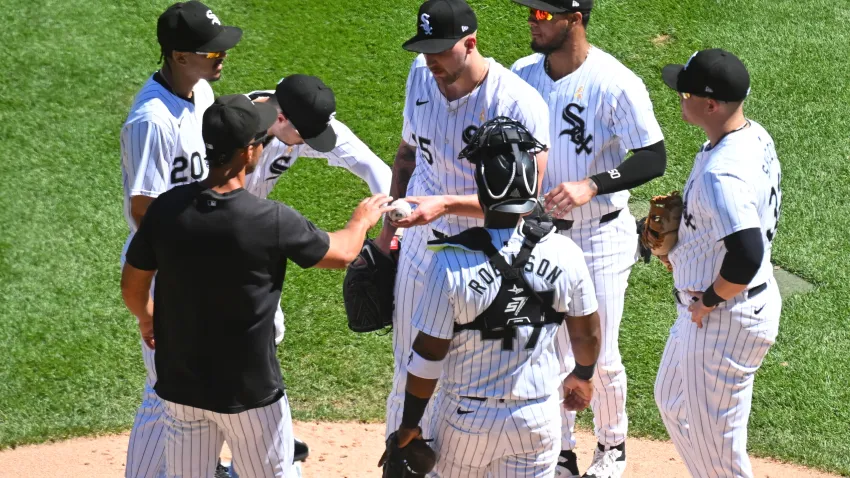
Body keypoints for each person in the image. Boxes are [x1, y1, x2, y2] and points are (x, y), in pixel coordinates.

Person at [120, 94, 393, 477]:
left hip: (182, 391)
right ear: (250, 152)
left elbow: (132, 287)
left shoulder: (166, 210)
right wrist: (361, 220)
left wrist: (148, 319)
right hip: (249, 395)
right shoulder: (270, 221)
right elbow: (343, 253)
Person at [386, 117, 601, 477]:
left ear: (481, 189)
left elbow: (427, 356)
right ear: (533, 184)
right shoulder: (567, 254)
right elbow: (587, 334)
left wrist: (410, 424)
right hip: (537, 418)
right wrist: (583, 374)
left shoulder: (450, 262)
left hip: (466, 420)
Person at [376, 0, 551, 438]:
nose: (430, 58)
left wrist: (446, 204)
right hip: (418, 252)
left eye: (440, 49)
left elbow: (527, 198)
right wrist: (387, 236)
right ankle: (399, 462)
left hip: (481, 262)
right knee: (407, 372)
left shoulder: (516, 102)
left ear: (470, 43)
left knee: (463, 383)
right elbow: (406, 155)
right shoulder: (421, 72)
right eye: (424, 47)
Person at [509, 1, 667, 476]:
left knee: (599, 355)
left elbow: (652, 157)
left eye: (542, 15)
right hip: (540, 237)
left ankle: (612, 446)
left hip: (600, 237)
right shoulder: (522, 74)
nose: (532, 22)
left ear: (573, 19)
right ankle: (561, 450)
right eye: (531, 13)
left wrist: (592, 183)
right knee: (546, 348)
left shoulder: (616, 83)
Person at [118, 2, 242, 476]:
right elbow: (143, 207)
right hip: (166, 270)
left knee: (180, 386)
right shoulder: (152, 119)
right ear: (177, 54)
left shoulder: (203, 92)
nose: (219, 56)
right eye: (209, 50)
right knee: (168, 388)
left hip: (192, 267)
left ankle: (199, 466)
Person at [654, 49, 782, 478]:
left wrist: (707, 299)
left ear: (711, 104)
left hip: (723, 317)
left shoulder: (721, 173)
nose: (679, 97)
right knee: (671, 401)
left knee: (717, 451)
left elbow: (746, 255)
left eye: (685, 92)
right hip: (725, 308)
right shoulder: (751, 136)